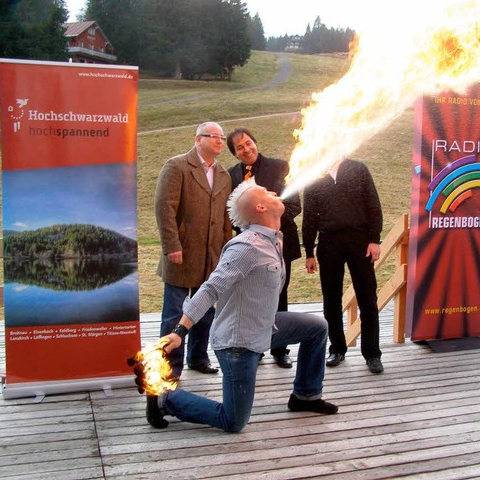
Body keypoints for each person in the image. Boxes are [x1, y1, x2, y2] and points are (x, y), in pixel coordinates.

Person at [142, 179, 338, 432]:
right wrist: (180, 332)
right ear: (259, 207)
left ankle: (305, 396)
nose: (274, 192)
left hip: (266, 328)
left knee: (317, 327)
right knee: (233, 421)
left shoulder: (273, 239)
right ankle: (164, 398)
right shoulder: (246, 247)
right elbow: (211, 288)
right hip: (238, 344)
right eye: (266, 191)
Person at [154, 122, 233, 377]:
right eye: (214, 137)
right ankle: (169, 369)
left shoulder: (223, 174)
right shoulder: (176, 166)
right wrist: (171, 245)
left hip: (211, 257)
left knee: (206, 311)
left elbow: (224, 218)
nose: (220, 141)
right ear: (198, 139)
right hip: (181, 254)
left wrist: (225, 251)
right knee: (174, 314)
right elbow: (164, 208)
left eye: (222, 137)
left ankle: (198, 358)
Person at [226, 127, 302, 369]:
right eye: (240, 147)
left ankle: (280, 348)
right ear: (235, 154)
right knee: (252, 296)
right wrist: (250, 232)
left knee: (278, 295)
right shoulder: (231, 176)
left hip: (280, 243)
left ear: (255, 142)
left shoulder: (279, 166)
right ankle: (254, 347)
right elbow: (231, 213)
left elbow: (294, 205)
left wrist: (272, 224)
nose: (247, 149)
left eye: (249, 143)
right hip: (249, 247)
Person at [302, 158, 384, 374]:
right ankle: (337, 348)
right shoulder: (315, 173)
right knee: (331, 300)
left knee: (367, 298)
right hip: (329, 244)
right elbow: (309, 215)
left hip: (360, 241)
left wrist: (374, 239)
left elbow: (373, 205)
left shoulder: (359, 169)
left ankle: (372, 353)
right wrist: (309, 252)